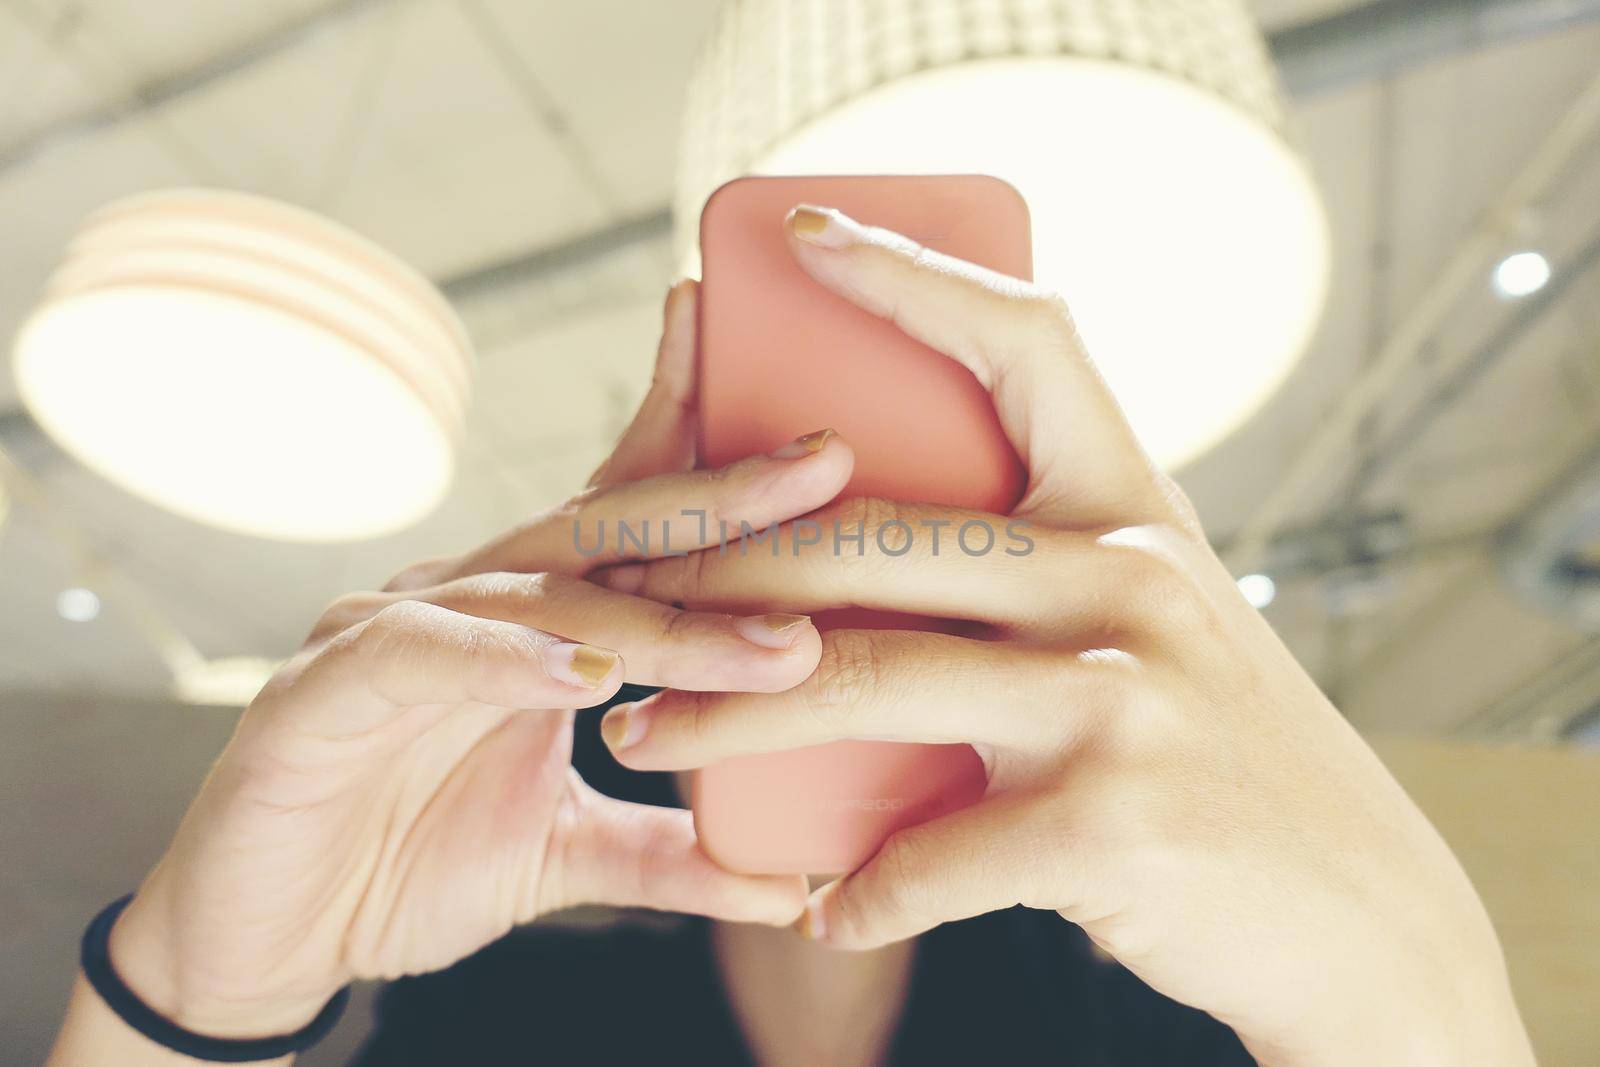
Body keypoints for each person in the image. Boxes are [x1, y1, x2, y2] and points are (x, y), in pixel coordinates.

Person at [47, 206, 1535, 1066]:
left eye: (905, 573)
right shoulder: (504, 1013)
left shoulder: (1150, 1029)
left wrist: (1424, 1008)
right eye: (768, 553)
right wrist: (200, 995)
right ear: (669, 608)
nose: (834, 630)